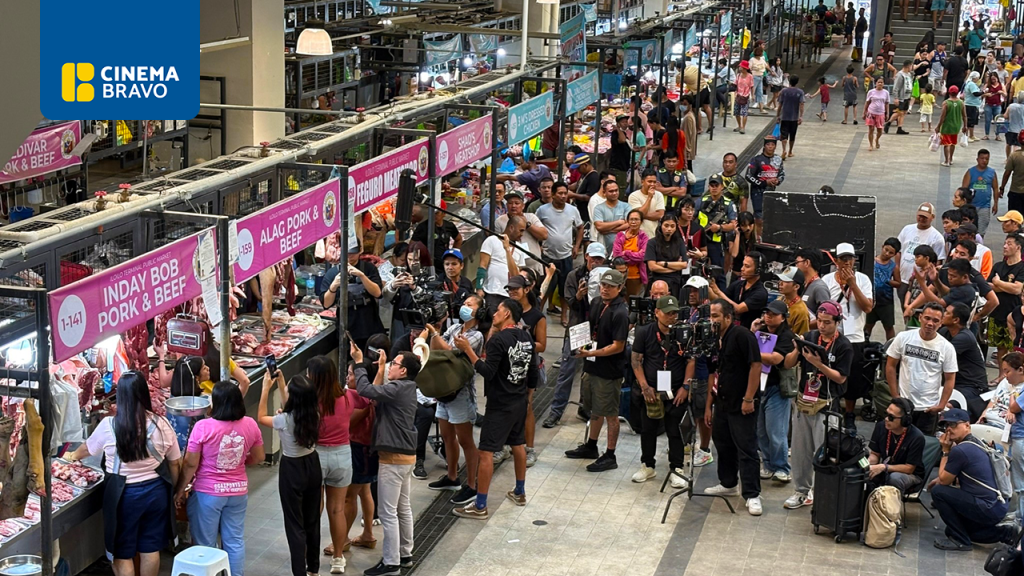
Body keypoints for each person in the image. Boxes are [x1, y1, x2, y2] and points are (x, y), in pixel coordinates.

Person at [66, 372, 181, 576]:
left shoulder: (109, 426)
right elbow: (174, 462)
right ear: (144, 394)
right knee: (150, 548)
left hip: (124, 496)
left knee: (122, 553)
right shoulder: (161, 424)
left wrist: (72, 455)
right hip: (156, 492)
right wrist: (173, 489)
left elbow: (86, 449)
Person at [452, 299, 536, 518]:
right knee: (517, 444)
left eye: (498, 310)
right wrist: (527, 398)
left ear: (507, 314)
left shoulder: (498, 340)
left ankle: (480, 505)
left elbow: (487, 372)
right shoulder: (526, 337)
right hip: (519, 400)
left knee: (486, 452)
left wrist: (467, 350)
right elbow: (533, 373)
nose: (494, 314)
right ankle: (519, 491)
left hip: (500, 404)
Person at [174, 381, 264, 576]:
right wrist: (239, 462)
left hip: (208, 493)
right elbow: (259, 457)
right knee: (234, 541)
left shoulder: (203, 427)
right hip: (238, 492)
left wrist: (180, 490)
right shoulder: (250, 424)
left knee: (205, 544)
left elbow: (190, 464)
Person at [350, 345, 421, 575]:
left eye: (394, 364)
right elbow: (378, 394)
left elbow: (365, 390)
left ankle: (391, 563)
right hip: (406, 456)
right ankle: (405, 554)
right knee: (403, 508)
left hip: (392, 458)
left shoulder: (397, 388)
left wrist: (358, 363)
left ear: (404, 371)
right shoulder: (407, 388)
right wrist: (381, 367)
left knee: (388, 512)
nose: (391, 366)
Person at [784, 301, 853, 510]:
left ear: (837, 322)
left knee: (823, 453)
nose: (821, 326)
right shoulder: (810, 337)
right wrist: (797, 349)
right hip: (804, 402)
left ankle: (821, 491)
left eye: (827, 322)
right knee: (800, 452)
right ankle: (801, 490)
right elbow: (788, 364)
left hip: (826, 405)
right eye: (820, 321)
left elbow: (840, 378)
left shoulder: (844, 346)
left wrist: (818, 364)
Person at [564, 269, 630, 472]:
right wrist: (581, 346)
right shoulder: (596, 302)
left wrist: (593, 353)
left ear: (620, 288)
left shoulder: (621, 313)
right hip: (591, 365)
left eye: (610, 286)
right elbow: (588, 328)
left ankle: (610, 455)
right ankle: (591, 445)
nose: (605, 289)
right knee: (594, 409)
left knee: (610, 413)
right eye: (603, 285)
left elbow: (618, 346)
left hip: (609, 371)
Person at [424, 295, 487, 505]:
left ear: (479, 311)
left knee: (465, 441)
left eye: (470, 305)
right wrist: (435, 330)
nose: (464, 307)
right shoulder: (453, 329)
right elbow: (435, 349)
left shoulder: (476, 335)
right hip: (444, 390)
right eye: (464, 304)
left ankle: (472, 484)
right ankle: (452, 477)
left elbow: (452, 354)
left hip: (461, 393)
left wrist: (435, 333)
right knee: (447, 436)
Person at [257, 371, 322, 576]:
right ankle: (313, 568)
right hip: (312, 464)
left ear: (294, 397)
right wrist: (282, 381)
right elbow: (292, 407)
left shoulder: (283, 419)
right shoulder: (314, 414)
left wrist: (265, 389)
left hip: (292, 468)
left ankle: (299, 571)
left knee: (294, 523)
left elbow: (261, 417)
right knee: (312, 520)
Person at [704, 300, 764, 515]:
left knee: (746, 447)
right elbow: (713, 373)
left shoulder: (742, 335)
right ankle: (728, 483)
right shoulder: (713, 339)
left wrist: (748, 399)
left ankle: (752, 494)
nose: (712, 320)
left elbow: (756, 365)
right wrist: (708, 406)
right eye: (710, 315)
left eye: (715, 316)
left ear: (728, 317)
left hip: (742, 403)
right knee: (723, 443)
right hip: (722, 402)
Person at [930, 409, 1019, 551]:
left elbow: (944, 481)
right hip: (998, 505)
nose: (948, 429)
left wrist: (945, 451)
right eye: (946, 425)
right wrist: (942, 477)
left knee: (938, 492)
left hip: (987, 507)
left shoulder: (960, 450)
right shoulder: (976, 441)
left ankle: (960, 541)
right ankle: (1006, 533)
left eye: (953, 425)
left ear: (967, 425)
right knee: (953, 530)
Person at [630, 295, 693, 489]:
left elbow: (691, 360)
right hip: (651, 391)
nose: (672, 317)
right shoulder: (645, 332)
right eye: (668, 313)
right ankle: (647, 465)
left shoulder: (684, 332)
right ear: (657, 312)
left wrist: (686, 387)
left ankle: (677, 468)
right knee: (648, 429)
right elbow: (636, 360)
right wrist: (644, 386)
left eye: (674, 313)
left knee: (675, 431)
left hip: (676, 390)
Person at [544, 243, 608, 428]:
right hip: (578, 329)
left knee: (589, 371)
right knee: (567, 371)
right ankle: (556, 411)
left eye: (599, 259)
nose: (596, 262)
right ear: (586, 256)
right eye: (593, 258)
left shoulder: (606, 276)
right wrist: (579, 296)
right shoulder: (574, 275)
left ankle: (584, 407)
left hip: (594, 331)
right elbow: (571, 303)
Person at [886, 302, 958, 434]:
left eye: (935, 320)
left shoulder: (947, 347)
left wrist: (941, 405)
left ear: (941, 323)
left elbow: (950, 378)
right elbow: (890, 365)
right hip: (904, 406)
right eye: (927, 318)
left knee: (924, 443)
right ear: (920, 317)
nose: (930, 323)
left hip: (928, 409)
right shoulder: (903, 337)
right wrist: (895, 395)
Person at [752, 300, 800, 484]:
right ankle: (768, 465)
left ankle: (782, 468)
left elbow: (775, 359)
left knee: (776, 431)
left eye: (773, 314)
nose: (768, 317)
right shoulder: (762, 332)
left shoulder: (787, 336)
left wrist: (751, 351)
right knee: (761, 431)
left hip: (777, 388)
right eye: (766, 313)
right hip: (759, 387)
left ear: (783, 317)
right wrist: (753, 332)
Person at [320, 244, 384, 351]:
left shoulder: (369, 268)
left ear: (360, 251)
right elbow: (326, 304)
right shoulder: (332, 273)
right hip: (347, 328)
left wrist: (362, 276)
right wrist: (333, 286)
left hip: (370, 325)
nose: (350, 256)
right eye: (347, 253)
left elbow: (377, 293)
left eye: (353, 253)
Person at [537, 181, 584, 323]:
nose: (563, 196)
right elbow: (535, 227)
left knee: (564, 288)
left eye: (565, 193)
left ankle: (564, 316)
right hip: (548, 256)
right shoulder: (542, 210)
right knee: (545, 287)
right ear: (553, 194)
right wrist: (538, 245)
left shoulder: (572, 210)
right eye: (560, 193)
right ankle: (538, 316)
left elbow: (580, 227)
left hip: (566, 256)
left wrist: (576, 246)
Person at [940, 303, 990, 420]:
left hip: (972, 386)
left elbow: (939, 359)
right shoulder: (945, 331)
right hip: (954, 382)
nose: (943, 314)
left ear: (956, 320)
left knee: (947, 406)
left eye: (947, 313)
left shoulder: (964, 337)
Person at [866, 397, 926, 495]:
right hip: (886, 468)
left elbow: (909, 468)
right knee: (864, 473)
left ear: (905, 420)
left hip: (910, 474)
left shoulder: (916, 437)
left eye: (891, 417)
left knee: (895, 478)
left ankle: (892, 504)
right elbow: (875, 454)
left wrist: (883, 467)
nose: (886, 419)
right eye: (886, 414)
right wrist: (867, 465)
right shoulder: (881, 427)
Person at [896, 202, 947, 305]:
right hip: (904, 279)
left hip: (922, 283)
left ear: (932, 217)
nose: (922, 219)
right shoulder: (907, 229)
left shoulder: (937, 237)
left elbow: (938, 261)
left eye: (925, 217)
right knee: (904, 305)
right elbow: (899, 251)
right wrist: (897, 270)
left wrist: (930, 280)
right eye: (920, 216)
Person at [697, 175, 738, 289]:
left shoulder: (729, 204)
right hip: (701, 242)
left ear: (722, 187)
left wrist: (719, 227)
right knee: (699, 270)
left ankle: (721, 296)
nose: (714, 188)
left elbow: (734, 225)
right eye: (712, 185)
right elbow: (691, 218)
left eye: (716, 185)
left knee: (718, 272)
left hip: (717, 243)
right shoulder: (701, 201)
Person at [478, 217, 527, 313]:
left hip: (510, 296)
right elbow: (482, 266)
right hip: (493, 292)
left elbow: (518, 275)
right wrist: (479, 288)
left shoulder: (520, 248)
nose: (522, 234)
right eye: (521, 230)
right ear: (511, 228)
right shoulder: (492, 240)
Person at [989, 234, 1024, 367]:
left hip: (1015, 314)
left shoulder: (1022, 268)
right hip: (997, 311)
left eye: (1009, 244)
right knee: (1000, 347)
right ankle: (1002, 374)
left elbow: (1017, 289)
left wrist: (998, 282)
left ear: (1018, 247)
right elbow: (988, 286)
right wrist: (1007, 286)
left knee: (1014, 348)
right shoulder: (998, 266)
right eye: (1005, 243)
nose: (1004, 246)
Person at [710, 252, 769, 328]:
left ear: (758, 270)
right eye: (743, 265)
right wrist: (708, 287)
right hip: (731, 327)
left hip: (747, 330)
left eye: (747, 266)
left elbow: (738, 309)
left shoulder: (761, 293)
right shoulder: (738, 284)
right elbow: (720, 300)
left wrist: (718, 291)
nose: (742, 269)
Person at [495, 191, 546, 276]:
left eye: (517, 203)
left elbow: (544, 235)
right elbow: (498, 243)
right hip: (512, 268)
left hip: (534, 268)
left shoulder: (531, 217)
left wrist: (527, 224)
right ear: (507, 205)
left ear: (523, 206)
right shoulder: (500, 221)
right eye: (510, 203)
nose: (513, 206)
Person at [744, 136, 784, 235]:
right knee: (759, 218)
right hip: (757, 192)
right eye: (768, 144)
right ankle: (758, 238)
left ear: (775, 146)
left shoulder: (778, 159)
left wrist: (778, 181)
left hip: (771, 192)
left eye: (772, 145)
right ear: (764, 146)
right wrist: (764, 183)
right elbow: (748, 175)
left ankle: (766, 236)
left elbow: (782, 174)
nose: (770, 147)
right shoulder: (756, 160)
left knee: (769, 217)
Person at [865, 237, 902, 341]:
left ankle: (891, 346)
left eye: (891, 253)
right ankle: (863, 344)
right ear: (882, 247)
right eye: (886, 250)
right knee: (868, 325)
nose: (887, 254)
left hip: (886, 301)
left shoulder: (894, 267)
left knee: (888, 326)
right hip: (871, 299)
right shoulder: (872, 261)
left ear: (894, 255)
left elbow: (898, 283)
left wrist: (888, 281)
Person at [411, 201, 463, 272]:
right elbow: (412, 246)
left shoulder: (449, 226)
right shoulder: (422, 227)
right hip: (428, 266)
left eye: (436, 213)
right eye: (431, 213)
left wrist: (453, 254)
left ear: (444, 213)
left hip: (444, 265)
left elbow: (458, 239)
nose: (433, 215)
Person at [645, 213, 688, 297]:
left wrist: (664, 264)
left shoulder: (679, 242)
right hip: (657, 279)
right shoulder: (652, 243)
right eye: (666, 225)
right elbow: (652, 267)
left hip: (675, 281)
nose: (669, 229)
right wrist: (675, 267)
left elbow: (684, 264)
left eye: (672, 226)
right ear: (661, 225)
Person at [982, 351, 1024, 428]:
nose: (1004, 375)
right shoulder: (1005, 381)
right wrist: (983, 415)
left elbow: (1015, 410)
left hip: (1006, 426)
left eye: (1007, 371)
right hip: (990, 419)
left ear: (1020, 370)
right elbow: (993, 401)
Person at [963, 149, 998, 235]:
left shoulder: (992, 173)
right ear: (977, 159)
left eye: (987, 159)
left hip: (985, 206)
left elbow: (995, 188)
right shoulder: (970, 172)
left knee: (981, 230)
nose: (984, 161)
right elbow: (964, 189)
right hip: (971, 206)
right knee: (968, 229)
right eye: (982, 158)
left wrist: (995, 204)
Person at [593, 179, 631, 256]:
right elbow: (599, 226)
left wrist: (608, 230)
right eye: (611, 191)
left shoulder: (626, 206)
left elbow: (629, 225)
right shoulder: (598, 208)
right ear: (604, 193)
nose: (614, 193)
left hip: (623, 249)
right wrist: (619, 222)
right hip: (604, 249)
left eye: (616, 190)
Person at [794, 249, 831, 326]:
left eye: (797, 262)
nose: (796, 266)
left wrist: (802, 325)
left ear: (807, 262)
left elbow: (826, 317)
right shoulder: (803, 284)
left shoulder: (819, 288)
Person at [628, 171, 667, 240]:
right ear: (642, 182)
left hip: (654, 235)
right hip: (638, 236)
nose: (652, 184)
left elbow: (660, 215)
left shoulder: (659, 195)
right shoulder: (633, 196)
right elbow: (638, 215)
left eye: (654, 182)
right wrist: (649, 198)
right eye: (649, 182)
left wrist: (642, 215)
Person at [936, 86, 968, 167]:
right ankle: (950, 159)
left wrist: (938, 126)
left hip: (947, 126)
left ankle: (946, 161)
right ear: (957, 93)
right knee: (953, 143)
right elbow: (964, 116)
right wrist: (965, 126)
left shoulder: (946, 103)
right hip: (956, 126)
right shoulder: (961, 103)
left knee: (946, 144)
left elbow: (942, 116)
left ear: (949, 92)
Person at [776, 75, 805, 159]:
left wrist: (778, 115)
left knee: (784, 134)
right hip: (794, 117)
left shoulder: (784, 91)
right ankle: (790, 151)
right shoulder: (800, 92)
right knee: (792, 135)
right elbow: (801, 104)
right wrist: (801, 116)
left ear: (789, 81)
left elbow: (780, 104)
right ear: (797, 82)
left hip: (784, 116)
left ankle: (784, 150)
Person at [885, 60, 914, 135]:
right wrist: (896, 97)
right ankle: (889, 123)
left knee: (903, 112)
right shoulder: (900, 75)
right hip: (901, 97)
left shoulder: (909, 74)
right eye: (911, 66)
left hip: (907, 95)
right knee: (899, 112)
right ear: (908, 66)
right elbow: (896, 87)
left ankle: (900, 127)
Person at [864, 78, 890, 151]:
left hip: (881, 113)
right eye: (878, 82)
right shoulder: (871, 92)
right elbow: (867, 102)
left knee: (880, 130)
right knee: (871, 129)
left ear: (883, 84)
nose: (880, 84)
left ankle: (877, 140)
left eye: (881, 82)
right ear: (876, 83)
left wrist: (887, 113)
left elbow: (887, 103)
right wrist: (864, 112)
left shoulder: (886, 93)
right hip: (871, 112)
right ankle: (871, 144)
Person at [1002, 131, 1024, 213]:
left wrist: (1002, 188)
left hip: (1016, 191)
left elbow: (1007, 174)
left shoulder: (1014, 156)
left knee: (1014, 216)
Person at [983, 74, 1006, 141]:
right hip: (988, 105)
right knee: (987, 120)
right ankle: (987, 134)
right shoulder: (987, 85)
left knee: (998, 121)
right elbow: (982, 94)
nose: (993, 80)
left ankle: (997, 135)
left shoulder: (1001, 85)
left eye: (994, 79)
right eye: (992, 79)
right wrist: (986, 94)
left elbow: (1005, 94)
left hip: (997, 105)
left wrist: (1002, 92)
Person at [734, 60, 754, 133]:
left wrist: (753, 95)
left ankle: (743, 127)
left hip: (746, 96)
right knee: (736, 112)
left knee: (744, 112)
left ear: (744, 68)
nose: (740, 68)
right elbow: (735, 84)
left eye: (741, 67)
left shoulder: (750, 76)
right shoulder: (738, 75)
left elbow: (752, 86)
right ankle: (739, 126)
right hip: (738, 95)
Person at [965, 71, 984, 142]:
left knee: (973, 122)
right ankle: (966, 136)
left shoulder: (973, 84)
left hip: (974, 105)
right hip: (970, 105)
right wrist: (983, 92)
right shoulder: (971, 84)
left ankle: (971, 135)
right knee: (969, 121)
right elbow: (975, 93)